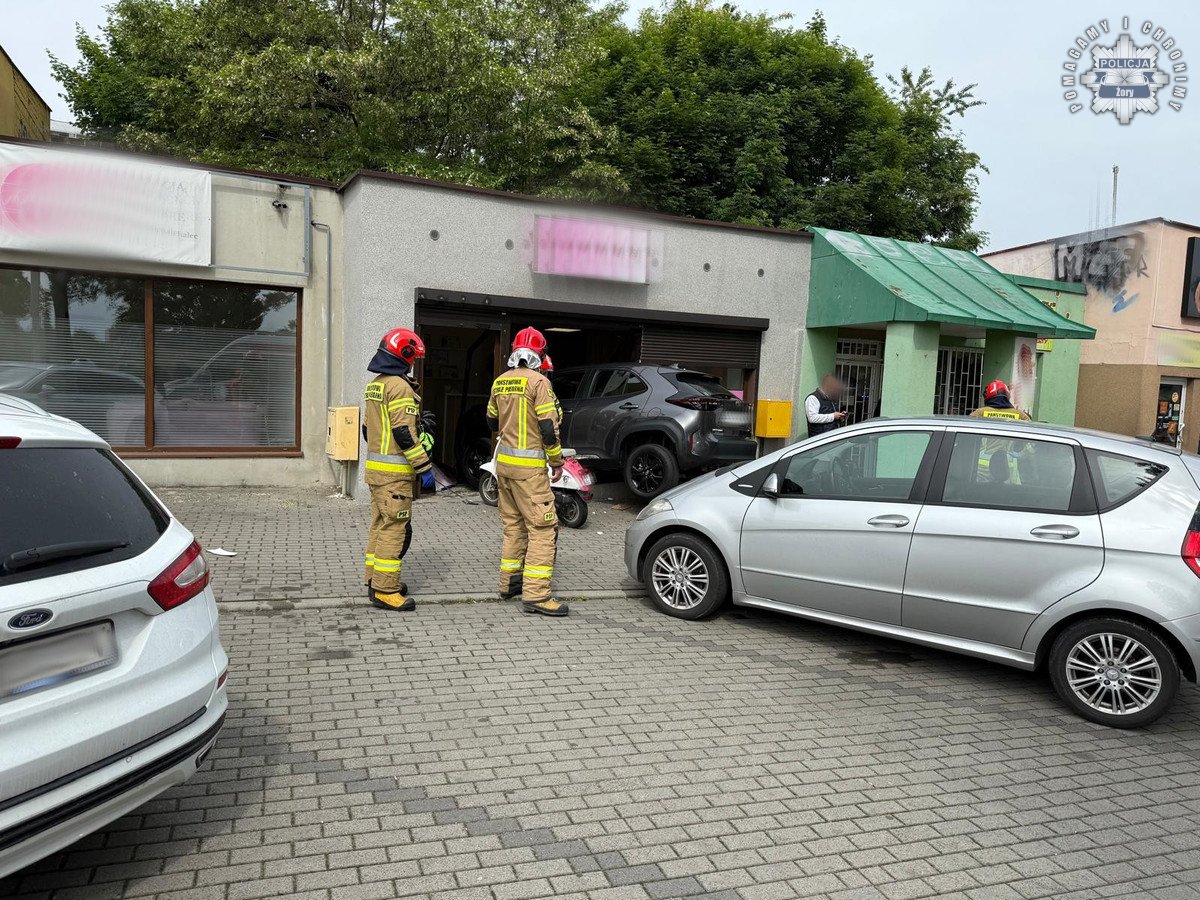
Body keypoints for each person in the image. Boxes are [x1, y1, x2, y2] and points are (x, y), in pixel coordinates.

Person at [487, 327, 568, 617]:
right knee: (542, 529)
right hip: (530, 472)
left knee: (514, 527)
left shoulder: (500, 381)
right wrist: (556, 461)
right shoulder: (539, 382)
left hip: (504, 468)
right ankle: (536, 595)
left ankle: (509, 584)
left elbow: (491, 421)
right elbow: (548, 427)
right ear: (540, 354)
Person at [362, 327, 436, 612]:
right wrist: (424, 467)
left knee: (379, 526)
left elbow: (367, 431)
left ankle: (374, 580)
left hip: (376, 472)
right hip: (395, 476)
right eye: (413, 357)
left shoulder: (375, 385)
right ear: (404, 354)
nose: (413, 362)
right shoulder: (400, 387)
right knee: (395, 530)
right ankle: (386, 590)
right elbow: (404, 434)